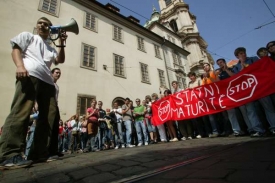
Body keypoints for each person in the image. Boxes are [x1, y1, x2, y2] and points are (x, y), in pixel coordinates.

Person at [0, 17, 67, 169]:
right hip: (30, 75)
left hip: (48, 82)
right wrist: (19, 66)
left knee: (49, 117)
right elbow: (16, 50)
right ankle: (9, 155)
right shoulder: (28, 36)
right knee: (21, 111)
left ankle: (39, 153)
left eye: (47, 24)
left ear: (51, 29)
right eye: (40, 23)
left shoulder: (50, 47)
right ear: (36, 26)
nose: (43, 25)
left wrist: (62, 43)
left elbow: (60, 60)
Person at [232, 47, 266, 137]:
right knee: (251, 111)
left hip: (260, 87)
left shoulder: (253, 59)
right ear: (237, 56)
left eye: (244, 53)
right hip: (247, 91)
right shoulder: (236, 67)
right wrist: (242, 64)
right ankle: (258, 129)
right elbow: (237, 77)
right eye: (240, 54)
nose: (243, 55)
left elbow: (260, 68)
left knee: (266, 108)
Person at [216, 58, 245, 136]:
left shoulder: (232, 69)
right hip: (227, 95)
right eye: (218, 64)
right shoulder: (219, 73)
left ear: (225, 63)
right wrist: (217, 75)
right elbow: (218, 83)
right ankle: (236, 130)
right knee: (231, 114)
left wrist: (226, 70)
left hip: (236, 92)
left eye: (221, 62)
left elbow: (234, 76)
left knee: (243, 111)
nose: (220, 64)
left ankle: (250, 128)